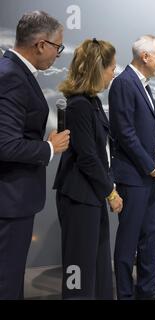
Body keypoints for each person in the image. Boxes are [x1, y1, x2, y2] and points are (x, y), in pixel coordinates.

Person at [0, 11, 70, 299]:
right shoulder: (12, 76)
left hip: (13, 198)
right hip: (9, 201)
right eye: (58, 47)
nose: (58, 55)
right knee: (7, 278)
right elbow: (5, 145)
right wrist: (50, 147)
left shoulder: (14, 72)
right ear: (41, 44)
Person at [53, 38, 123, 299]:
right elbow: (88, 158)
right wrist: (111, 193)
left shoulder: (90, 102)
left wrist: (107, 188)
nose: (114, 72)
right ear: (97, 68)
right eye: (111, 66)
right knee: (80, 272)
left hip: (91, 195)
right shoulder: (80, 105)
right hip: (79, 197)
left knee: (99, 267)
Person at [109, 35, 155, 300]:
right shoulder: (123, 83)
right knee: (128, 241)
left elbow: (152, 130)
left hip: (149, 176)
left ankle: (147, 290)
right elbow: (125, 133)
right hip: (134, 178)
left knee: (150, 237)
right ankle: (125, 295)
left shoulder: (142, 85)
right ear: (145, 57)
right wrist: (149, 167)